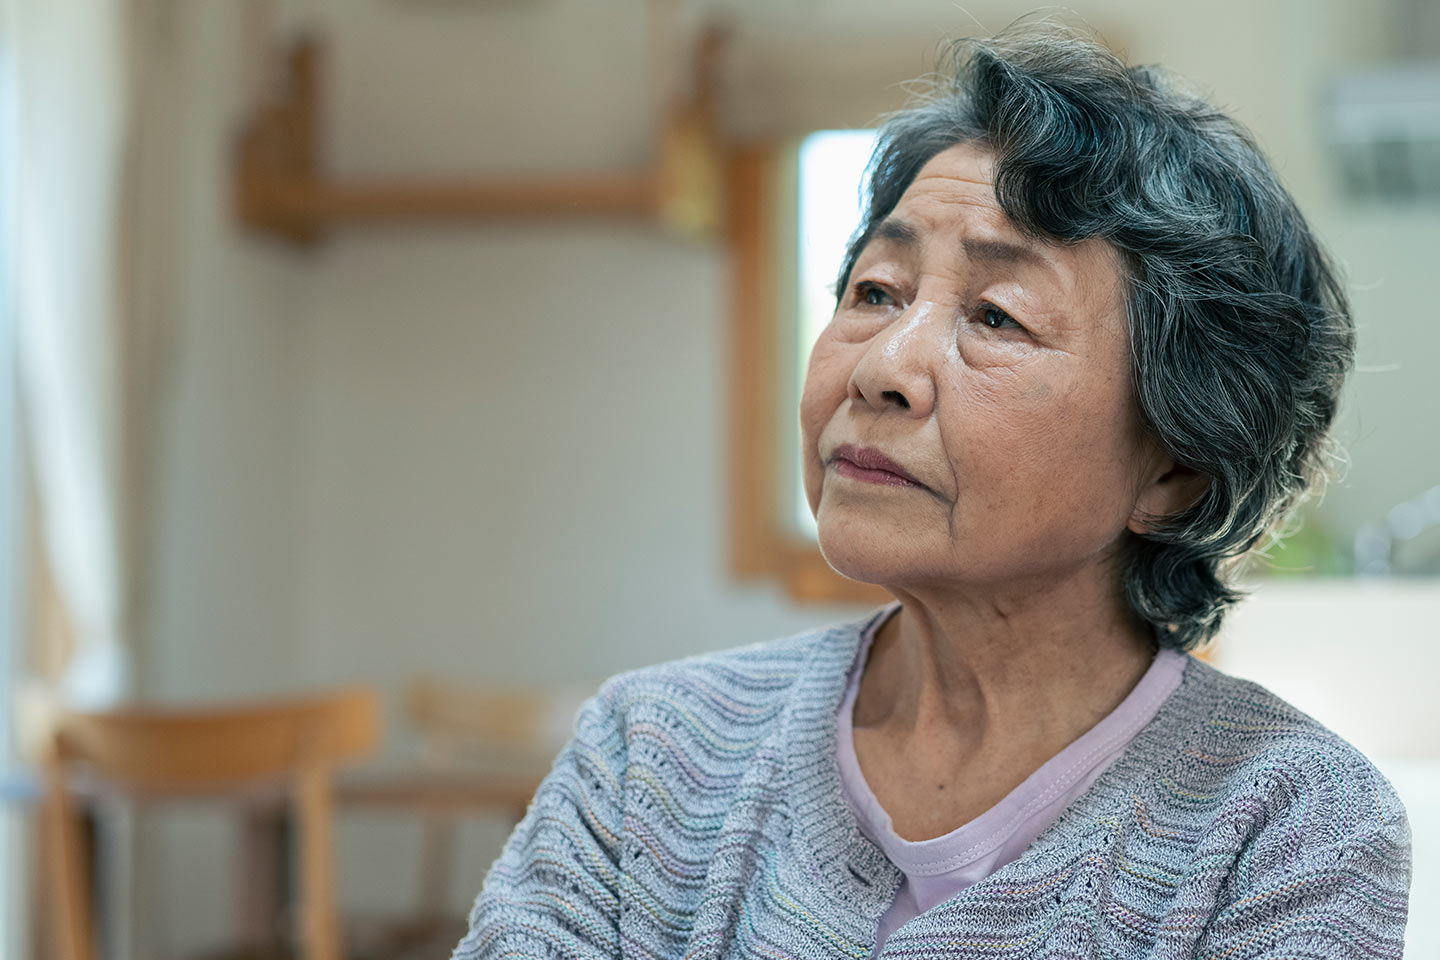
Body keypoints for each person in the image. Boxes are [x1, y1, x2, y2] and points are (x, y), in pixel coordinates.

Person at [452, 23, 1411, 960]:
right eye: (876, 291)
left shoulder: (1290, 829)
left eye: (997, 315)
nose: (883, 366)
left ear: (1175, 468)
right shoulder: (650, 754)